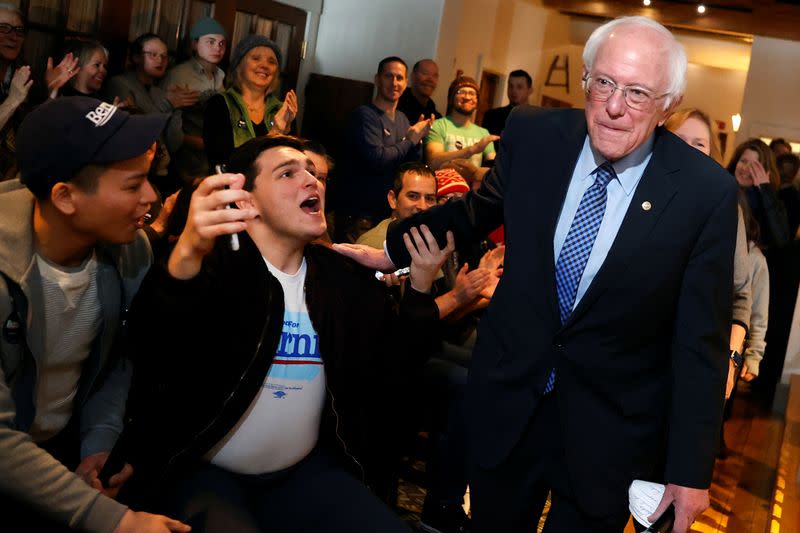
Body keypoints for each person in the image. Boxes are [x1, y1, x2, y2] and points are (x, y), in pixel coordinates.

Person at [334, 16, 738, 533]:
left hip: (608, 436)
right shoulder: (533, 133)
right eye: (605, 84)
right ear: (586, 79)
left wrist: (689, 473)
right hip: (508, 404)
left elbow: (699, 344)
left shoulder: (705, 193)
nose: (614, 107)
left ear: (669, 105)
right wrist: (393, 249)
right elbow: (472, 212)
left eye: (637, 93)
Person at [111, 134, 448, 533]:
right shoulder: (214, 266)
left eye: (312, 172)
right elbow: (149, 344)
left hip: (303, 473)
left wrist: (421, 288)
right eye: (288, 173)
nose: (312, 181)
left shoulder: (340, 277)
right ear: (246, 201)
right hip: (205, 473)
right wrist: (185, 254)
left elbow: (395, 369)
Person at [0, 96, 190, 532]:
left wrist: (98, 446)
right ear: (65, 197)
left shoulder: (128, 248)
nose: (152, 196)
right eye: (132, 185)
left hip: (59, 453)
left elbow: (118, 357)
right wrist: (116, 521)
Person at [334, 56, 434, 241]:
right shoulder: (364, 116)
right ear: (377, 79)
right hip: (360, 215)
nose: (394, 83)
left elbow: (409, 166)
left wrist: (418, 140)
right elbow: (378, 159)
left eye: (399, 78)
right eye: (389, 76)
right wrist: (410, 140)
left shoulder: (403, 119)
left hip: (386, 215)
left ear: (406, 83)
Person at [203, 34, 297, 172]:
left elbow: (293, 164)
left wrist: (287, 133)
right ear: (239, 65)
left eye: (272, 62)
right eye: (256, 58)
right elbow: (222, 162)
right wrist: (275, 132)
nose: (264, 65)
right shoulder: (219, 104)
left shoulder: (282, 110)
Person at [160, 16, 227, 181]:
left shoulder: (222, 75)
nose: (217, 48)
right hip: (185, 157)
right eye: (210, 42)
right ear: (194, 44)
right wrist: (193, 141)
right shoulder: (178, 75)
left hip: (215, 156)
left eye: (221, 43)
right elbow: (163, 116)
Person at [726, 138, 790, 249]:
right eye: (743, 161)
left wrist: (765, 190)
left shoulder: (771, 201)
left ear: (765, 171)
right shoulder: (722, 190)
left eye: (754, 166)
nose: (746, 168)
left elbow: (781, 240)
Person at [425, 76, 498, 172]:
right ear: (451, 98)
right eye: (461, 92)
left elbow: (492, 167)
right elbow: (433, 162)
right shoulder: (438, 126)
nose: (467, 97)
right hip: (443, 185)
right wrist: (472, 150)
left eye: (472, 93)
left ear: (477, 101)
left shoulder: (484, 133)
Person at [481, 69, 534, 136]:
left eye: (519, 87)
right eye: (510, 86)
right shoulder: (492, 116)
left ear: (530, 91)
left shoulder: (536, 119)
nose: (514, 91)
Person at [398, 59, 442, 123]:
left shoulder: (434, 114)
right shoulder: (397, 103)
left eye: (434, 76)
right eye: (425, 73)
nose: (430, 79)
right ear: (413, 76)